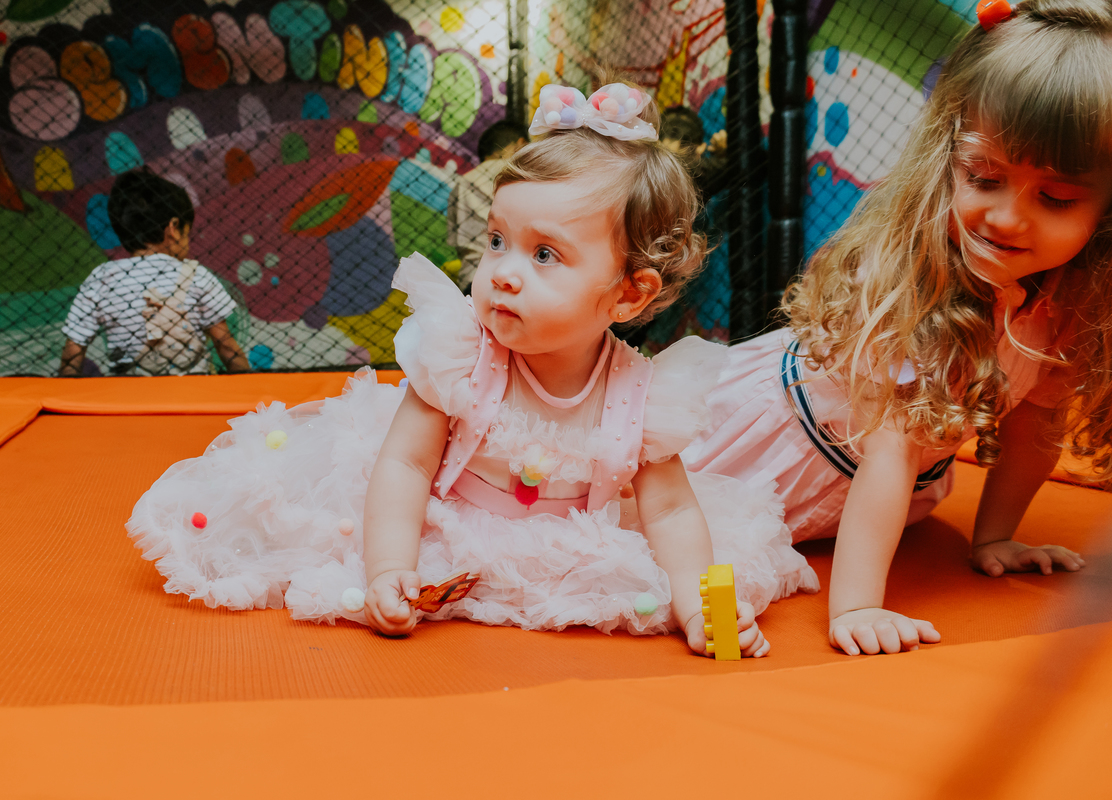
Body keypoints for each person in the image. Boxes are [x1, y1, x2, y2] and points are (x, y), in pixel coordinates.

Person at [127, 81, 819, 656]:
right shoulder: (463, 355)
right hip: (444, 525)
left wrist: (699, 605)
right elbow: (404, 467)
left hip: (568, 548)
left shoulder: (641, 394)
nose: (503, 275)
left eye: (544, 254)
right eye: (497, 241)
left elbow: (667, 507)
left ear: (629, 293)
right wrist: (390, 568)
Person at [685, 0, 1111, 657]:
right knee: (634, 528)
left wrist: (994, 538)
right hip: (763, 452)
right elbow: (890, 451)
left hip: (867, 493)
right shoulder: (915, 288)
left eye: (1055, 198)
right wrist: (857, 607)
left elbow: (1036, 429)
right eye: (983, 178)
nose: (1005, 218)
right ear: (949, 157)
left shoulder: (1065, 305)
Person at [59, 169, 249, 376]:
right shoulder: (196, 275)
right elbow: (227, 348)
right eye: (187, 233)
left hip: (129, 402)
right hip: (193, 398)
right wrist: (252, 395)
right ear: (174, 228)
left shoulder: (102, 279)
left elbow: (73, 352)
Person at [447, 120, 528, 291]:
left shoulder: (462, 182)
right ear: (521, 144)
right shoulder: (523, 174)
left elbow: (456, 241)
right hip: (515, 278)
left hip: (472, 279)